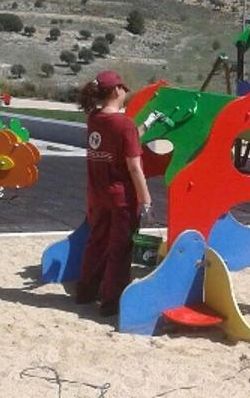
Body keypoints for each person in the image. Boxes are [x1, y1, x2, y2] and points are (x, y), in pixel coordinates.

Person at [75, 70, 158, 317]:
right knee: (120, 249)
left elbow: (121, 139)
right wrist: (146, 200)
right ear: (116, 91)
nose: (125, 92)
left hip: (97, 194)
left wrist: (146, 125)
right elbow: (134, 166)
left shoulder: (94, 118)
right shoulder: (124, 124)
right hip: (120, 198)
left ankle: (86, 293)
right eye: (123, 88)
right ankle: (111, 302)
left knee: (96, 243)